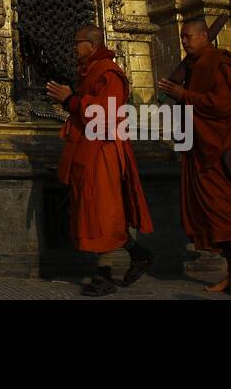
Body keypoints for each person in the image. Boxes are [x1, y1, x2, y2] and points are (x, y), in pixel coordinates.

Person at [47, 24, 154, 296]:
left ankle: (104, 275)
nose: (74, 47)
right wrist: (71, 99)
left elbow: (105, 115)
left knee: (102, 210)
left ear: (92, 45)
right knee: (94, 210)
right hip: (88, 148)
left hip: (103, 150)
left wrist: (70, 99)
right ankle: (137, 253)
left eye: (78, 42)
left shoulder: (109, 73)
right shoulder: (90, 71)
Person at [158, 19, 231, 295]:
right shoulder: (195, 64)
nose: (184, 42)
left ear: (203, 36)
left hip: (219, 148)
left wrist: (183, 94)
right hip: (199, 146)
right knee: (209, 213)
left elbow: (224, 105)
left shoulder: (220, 63)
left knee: (225, 212)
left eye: (188, 37)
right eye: (182, 37)